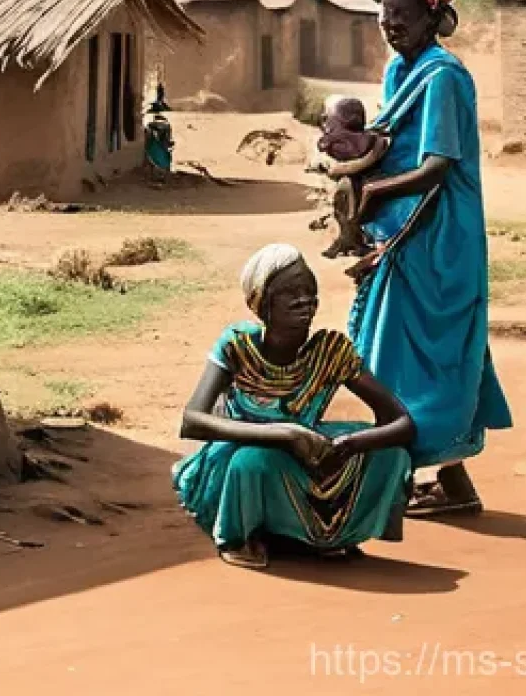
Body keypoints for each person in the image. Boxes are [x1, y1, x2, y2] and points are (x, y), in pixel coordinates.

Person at [349, 0, 513, 517]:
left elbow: (437, 166)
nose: (391, 25)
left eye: (402, 15)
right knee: (399, 349)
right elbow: (384, 142)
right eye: (385, 15)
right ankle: (450, 481)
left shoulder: (443, 76)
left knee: (436, 350)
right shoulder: (399, 72)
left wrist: (371, 192)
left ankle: (405, 473)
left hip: (441, 231)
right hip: (402, 226)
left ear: (431, 18)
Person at [173, 244, 415, 570]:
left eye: (310, 290)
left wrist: (350, 444)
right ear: (262, 302)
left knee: (393, 455)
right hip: (238, 460)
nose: (305, 300)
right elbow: (192, 421)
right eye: (290, 293)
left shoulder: (330, 350)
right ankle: (242, 536)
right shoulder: (238, 344)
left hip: (303, 454)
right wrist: (284, 435)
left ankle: (324, 536)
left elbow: (400, 422)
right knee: (251, 462)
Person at [317, 95, 390, 259]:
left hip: (365, 184)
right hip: (353, 183)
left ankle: (353, 241)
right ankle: (348, 241)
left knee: (350, 211)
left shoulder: (366, 140)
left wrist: (340, 169)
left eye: (330, 118)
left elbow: (342, 165)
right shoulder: (367, 139)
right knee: (343, 210)